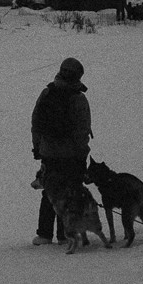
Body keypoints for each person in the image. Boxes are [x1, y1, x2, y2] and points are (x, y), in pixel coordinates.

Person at [30, 57, 92, 245]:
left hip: (49, 152)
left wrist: (38, 147)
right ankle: (65, 233)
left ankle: (44, 234)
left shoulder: (47, 93)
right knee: (71, 192)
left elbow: (36, 123)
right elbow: (82, 131)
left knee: (49, 192)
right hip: (72, 154)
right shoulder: (78, 98)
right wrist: (83, 154)